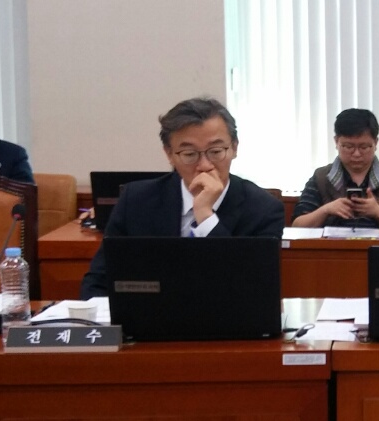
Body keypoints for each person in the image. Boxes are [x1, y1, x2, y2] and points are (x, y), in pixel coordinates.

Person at [80, 97, 285, 298]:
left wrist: (205, 216)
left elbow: (254, 290)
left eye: (215, 151)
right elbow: (98, 282)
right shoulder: (136, 200)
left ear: (234, 148)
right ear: (169, 154)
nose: (204, 165)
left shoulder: (264, 210)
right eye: (189, 154)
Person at [291, 108, 379, 229]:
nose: (356, 154)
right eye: (348, 146)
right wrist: (326, 210)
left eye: (364, 147)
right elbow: (297, 226)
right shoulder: (321, 178)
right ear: (336, 142)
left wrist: (378, 212)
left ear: (376, 143)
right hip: (332, 242)